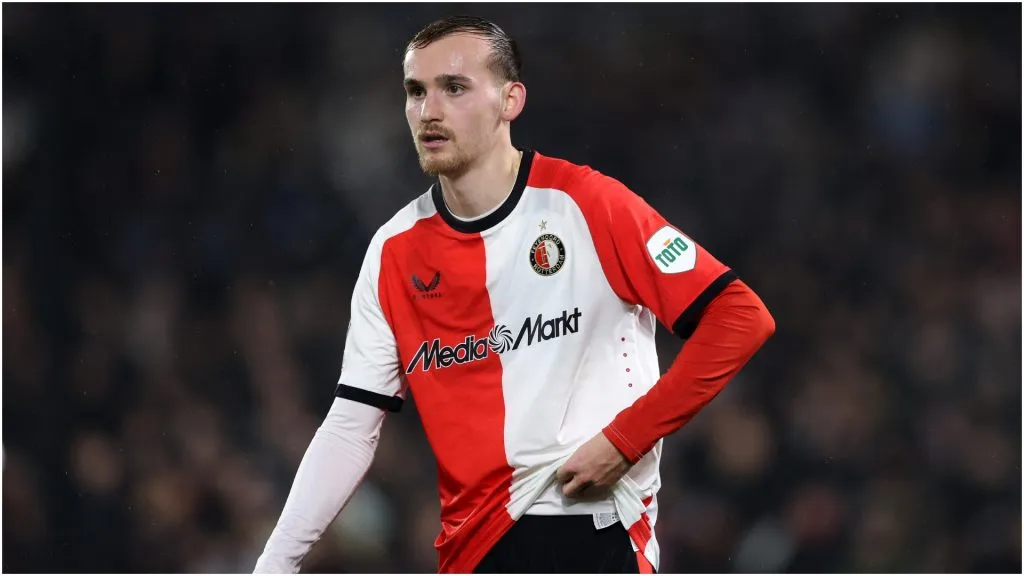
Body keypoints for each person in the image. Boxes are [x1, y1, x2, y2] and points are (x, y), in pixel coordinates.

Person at [254, 15, 775, 575]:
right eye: (416, 91)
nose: (428, 110)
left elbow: (740, 317)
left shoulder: (587, 204)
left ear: (510, 100)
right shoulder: (393, 252)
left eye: (454, 88)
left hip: (596, 535)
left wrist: (627, 438)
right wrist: (274, 564)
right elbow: (351, 426)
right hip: (473, 553)